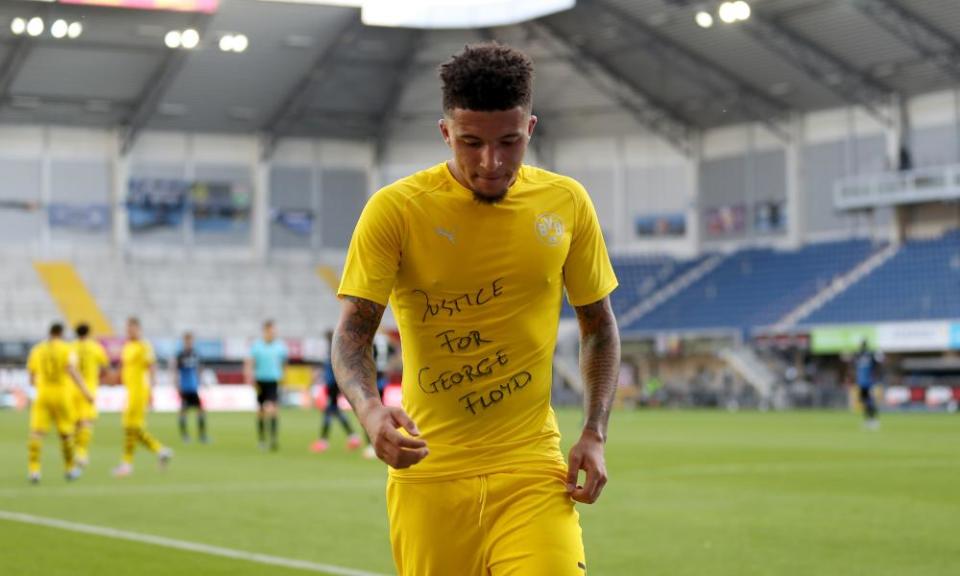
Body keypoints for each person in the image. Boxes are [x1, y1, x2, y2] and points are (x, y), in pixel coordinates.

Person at [332, 43, 620, 576]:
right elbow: (352, 332)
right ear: (446, 134)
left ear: (530, 128)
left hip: (532, 466)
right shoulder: (396, 210)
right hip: (429, 473)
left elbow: (598, 325)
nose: (492, 162)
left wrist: (594, 431)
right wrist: (370, 412)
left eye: (510, 142)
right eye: (471, 142)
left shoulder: (567, 203)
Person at [26, 322, 93, 483]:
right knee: (66, 433)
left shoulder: (38, 349)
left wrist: (37, 387)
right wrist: (86, 392)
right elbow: (72, 370)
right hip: (62, 395)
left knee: (37, 432)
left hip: (43, 394)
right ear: (61, 334)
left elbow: (31, 375)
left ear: (50, 333)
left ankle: (34, 471)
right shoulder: (66, 348)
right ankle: (69, 469)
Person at [113, 317, 173, 477]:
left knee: (130, 426)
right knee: (132, 427)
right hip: (130, 391)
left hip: (140, 392)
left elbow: (151, 367)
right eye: (128, 328)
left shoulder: (143, 346)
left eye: (132, 328)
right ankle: (160, 450)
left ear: (138, 329)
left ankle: (127, 464)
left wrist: (152, 392)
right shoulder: (127, 346)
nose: (129, 331)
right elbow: (123, 367)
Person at [311, 331, 361, 453]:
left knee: (329, 410)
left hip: (333, 385)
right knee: (334, 410)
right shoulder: (334, 351)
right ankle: (352, 437)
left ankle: (324, 441)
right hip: (333, 384)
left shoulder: (334, 351)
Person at [71, 322, 110, 468]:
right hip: (89, 388)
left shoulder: (71, 347)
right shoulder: (95, 347)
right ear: (88, 333)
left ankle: (75, 451)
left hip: (72, 388)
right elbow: (105, 366)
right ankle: (81, 453)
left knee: (75, 422)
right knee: (87, 422)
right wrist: (101, 378)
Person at [246, 320, 287, 451]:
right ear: (265, 331)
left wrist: (283, 377)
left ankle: (273, 439)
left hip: (273, 381)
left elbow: (284, 363)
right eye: (270, 331)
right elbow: (250, 362)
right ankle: (262, 440)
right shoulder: (257, 346)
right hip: (260, 381)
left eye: (274, 331)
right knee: (261, 411)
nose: (273, 333)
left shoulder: (280, 346)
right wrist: (249, 377)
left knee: (273, 409)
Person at [175, 331, 208, 443]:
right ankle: (185, 436)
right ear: (184, 341)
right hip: (184, 387)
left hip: (194, 387)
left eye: (191, 340)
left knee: (201, 411)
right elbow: (176, 371)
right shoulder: (180, 355)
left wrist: (202, 381)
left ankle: (202, 435)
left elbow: (199, 369)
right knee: (183, 412)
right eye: (187, 340)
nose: (189, 342)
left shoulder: (196, 354)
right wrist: (177, 385)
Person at [853, 339, 882, 429]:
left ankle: (873, 420)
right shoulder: (867, 355)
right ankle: (869, 420)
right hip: (864, 381)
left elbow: (876, 365)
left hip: (866, 381)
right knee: (865, 401)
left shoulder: (865, 355)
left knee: (868, 401)